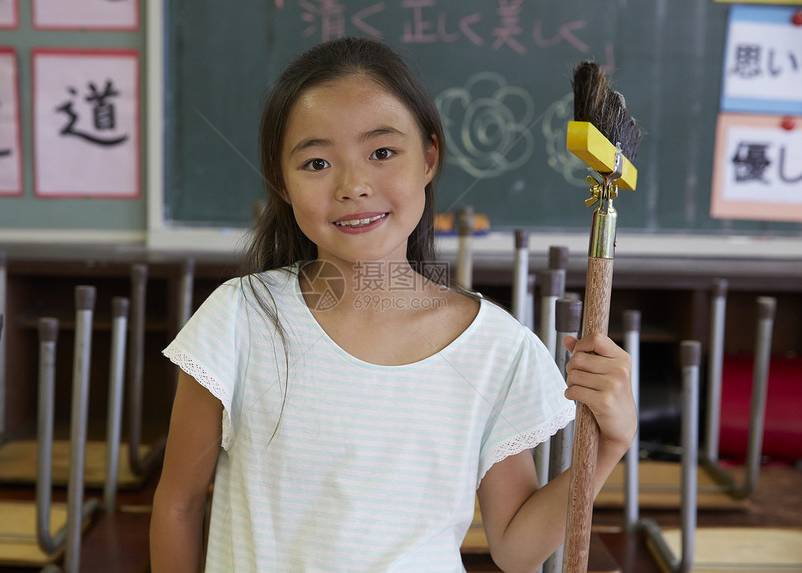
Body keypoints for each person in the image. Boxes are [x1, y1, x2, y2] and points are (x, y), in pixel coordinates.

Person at [150, 36, 636, 573]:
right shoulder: (241, 319)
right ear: (282, 182)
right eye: (316, 162)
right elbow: (178, 505)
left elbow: (516, 549)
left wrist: (610, 443)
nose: (354, 186)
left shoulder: (494, 347)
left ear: (429, 158)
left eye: (382, 153)